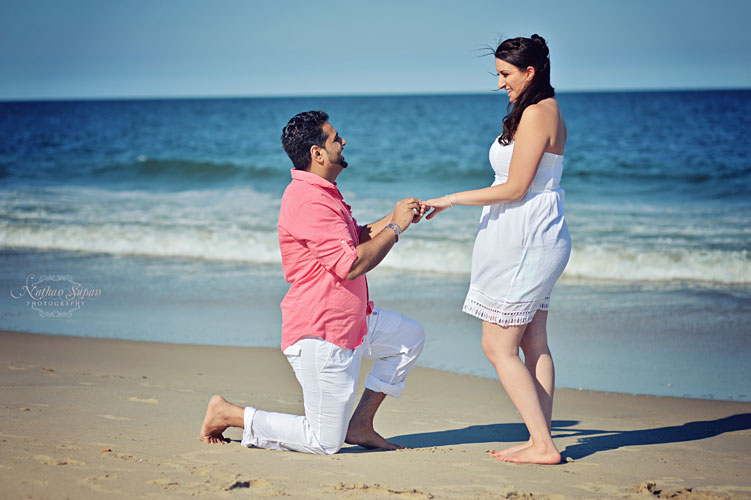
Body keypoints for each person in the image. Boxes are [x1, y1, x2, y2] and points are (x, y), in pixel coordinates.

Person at [200, 110, 426, 454]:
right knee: (323, 442)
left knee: (408, 338)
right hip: (322, 333)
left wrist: (397, 216)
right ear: (317, 154)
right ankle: (230, 414)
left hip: (352, 321)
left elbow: (355, 237)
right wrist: (396, 228)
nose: (343, 142)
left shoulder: (324, 192)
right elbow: (350, 264)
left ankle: (361, 424)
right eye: (336, 138)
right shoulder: (308, 200)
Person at [424, 34, 570, 464]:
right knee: (534, 343)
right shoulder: (543, 109)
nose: (501, 83)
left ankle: (543, 444)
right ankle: (540, 437)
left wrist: (449, 200)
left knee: (498, 347)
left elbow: (515, 188)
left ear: (531, 71)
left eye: (506, 75)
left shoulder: (539, 113)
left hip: (526, 239)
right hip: (533, 234)